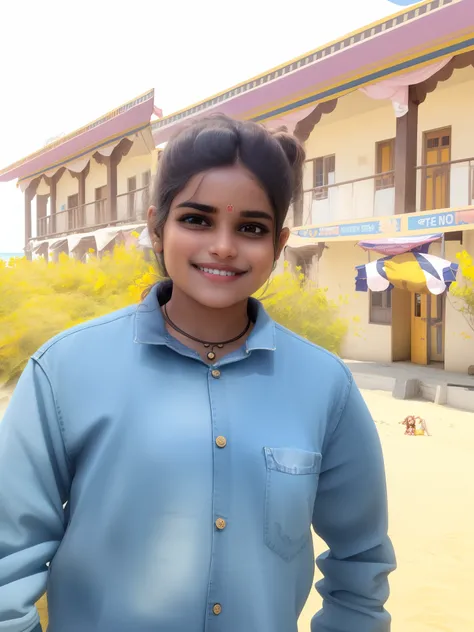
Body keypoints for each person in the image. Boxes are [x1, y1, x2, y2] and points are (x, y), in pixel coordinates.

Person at [0, 114, 396, 632]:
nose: (224, 246)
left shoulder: (325, 388)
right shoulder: (65, 372)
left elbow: (361, 566)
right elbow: (9, 560)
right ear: (156, 227)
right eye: (197, 220)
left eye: (250, 228)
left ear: (278, 245)